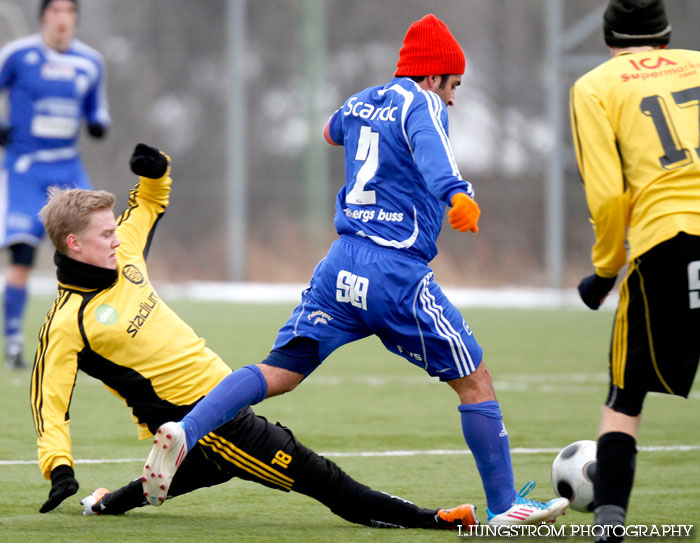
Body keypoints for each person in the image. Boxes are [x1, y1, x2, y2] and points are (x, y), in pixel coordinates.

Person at [142, 14, 568, 526]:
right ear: (433, 76)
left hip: (340, 266)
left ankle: (186, 431)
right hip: (395, 275)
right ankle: (504, 510)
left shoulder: (363, 99)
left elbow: (330, 131)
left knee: (278, 371)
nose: (453, 97)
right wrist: (457, 194)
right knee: (475, 382)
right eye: (453, 84)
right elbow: (432, 146)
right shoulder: (424, 101)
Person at [31, 142, 478, 531]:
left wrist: (157, 170)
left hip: (219, 397)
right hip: (199, 423)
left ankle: (108, 503)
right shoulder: (68, 322)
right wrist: (59, 468)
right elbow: (50, 403)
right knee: (316, 474)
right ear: (73, 244)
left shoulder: (124, 251)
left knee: (212, 470)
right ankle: (432, 518)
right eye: (104, 234)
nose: (114, 238)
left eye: (114, 229)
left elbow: (148, 202)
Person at [570, 0, 700, 541]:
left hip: (665, 240)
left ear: (610, 39)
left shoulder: (595, 86)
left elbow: (606, 196)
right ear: (665, 35)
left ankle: (608, 530)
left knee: (625, 396)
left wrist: (606, 270)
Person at [0, 0, 109, 369]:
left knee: (96, 251)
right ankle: (13, 340)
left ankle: (96, 341)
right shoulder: (17, 55)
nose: (63, 19)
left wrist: (97, 123)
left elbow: (97, 110)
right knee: (22, 254)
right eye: (56, 11)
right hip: (25, 170)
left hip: (69, 171)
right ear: (44, 15)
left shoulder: (90, 62)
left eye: (69, 12)